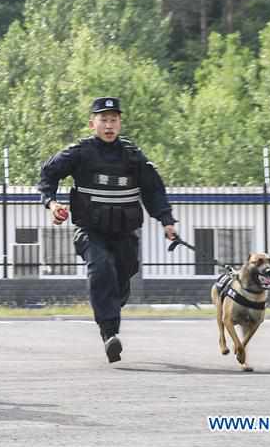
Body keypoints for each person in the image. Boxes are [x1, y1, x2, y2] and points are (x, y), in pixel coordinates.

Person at [37, 97, 177, 363]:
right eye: (104, 120)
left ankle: (111, 305)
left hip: (125, 234)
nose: (109, 125)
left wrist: (166, 221)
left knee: (122, 277)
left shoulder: (133, 156)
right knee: (101, 269)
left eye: (114, 120)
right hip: (91, 231)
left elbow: (154, 190)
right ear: (93, 123)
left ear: (120, 123)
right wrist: (52, 203)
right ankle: (109, 334)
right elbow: (48, 174)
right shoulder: (80, 153)